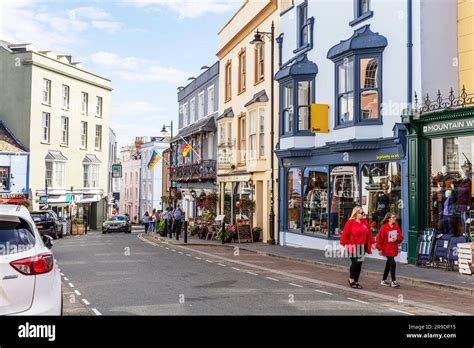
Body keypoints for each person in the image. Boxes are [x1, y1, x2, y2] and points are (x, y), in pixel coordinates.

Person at [340, 206, 374, 289]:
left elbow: (369, 233)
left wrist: (372, 243)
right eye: (361, 213)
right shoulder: (350, 222)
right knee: (355, 262)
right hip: (352, 245)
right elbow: (345, 234)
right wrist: (342, 244)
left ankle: (356, 281)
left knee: (359, 264)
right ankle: (351, 279)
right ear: (356, 213)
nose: (363, 214)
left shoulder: (365, 222)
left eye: (363, 213)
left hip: (362, 246)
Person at [376, 213, 403, 288]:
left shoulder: (396, 227)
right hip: (386, 248)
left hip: (393, 248)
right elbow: (379, 239)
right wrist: (379, 249)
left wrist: (397, 238)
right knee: (393, 263)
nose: (395, 218)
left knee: (388, 264)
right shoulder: (384, 227)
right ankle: (393, 281)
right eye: (393, 217)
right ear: (389, 218)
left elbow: (400, 236)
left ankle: (383, 280)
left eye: (395, 217)